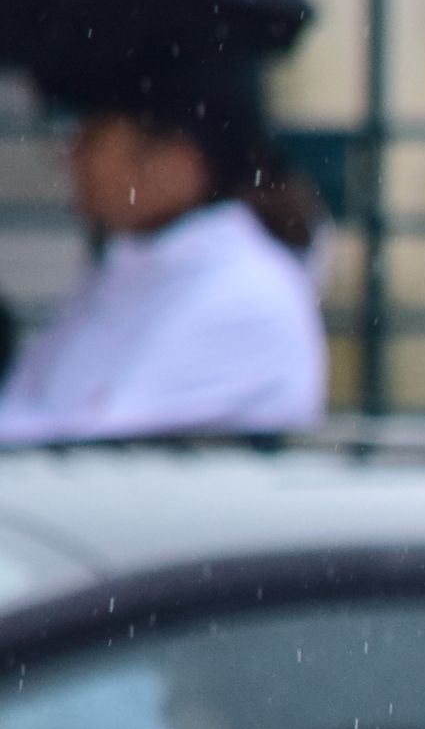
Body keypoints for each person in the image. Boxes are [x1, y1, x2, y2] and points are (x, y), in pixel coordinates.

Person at [0, 56, 326, 444]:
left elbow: (92, 451)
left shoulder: (243, 295)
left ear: (178, 161)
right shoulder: (125, 273)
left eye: (93, 137)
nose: (72, 156)